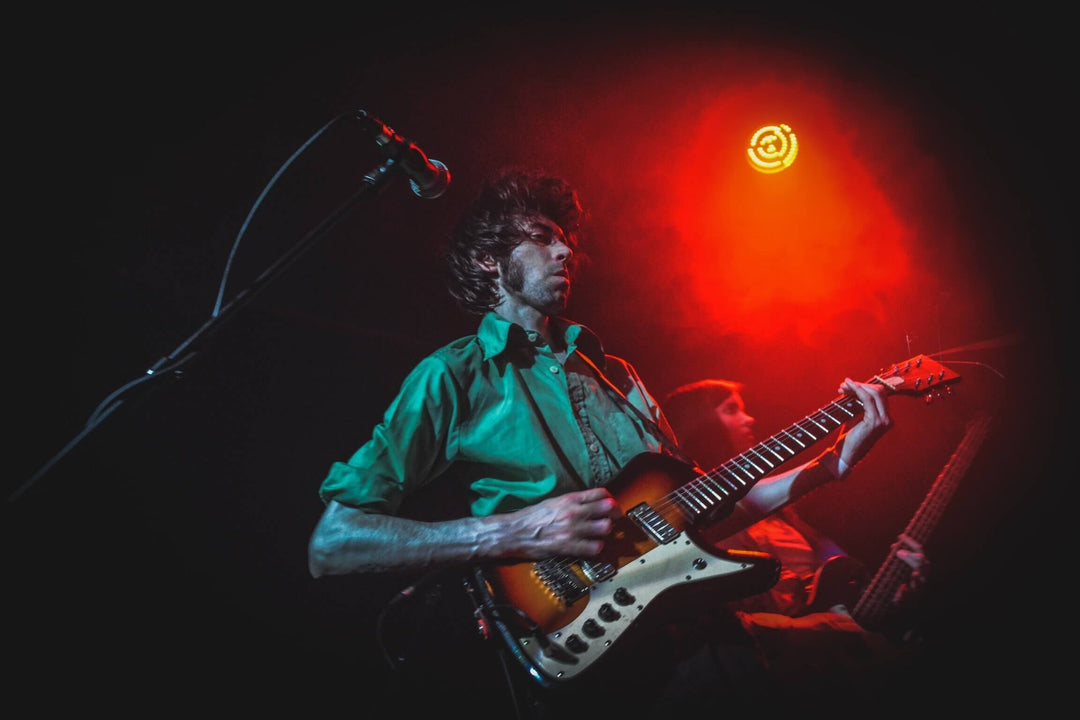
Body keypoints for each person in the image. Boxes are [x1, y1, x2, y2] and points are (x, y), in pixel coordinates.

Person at [306, 170, 894, 717]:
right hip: (579, 663)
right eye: (542, 238)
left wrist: (832, 464)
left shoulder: (618, 376)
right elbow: (334, 542)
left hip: (700, 645)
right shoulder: (453, 376)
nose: (565, 252)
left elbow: (695, 518)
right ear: (489, 260)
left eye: (565, 241)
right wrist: (511, 531)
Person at [662, 378, 930, 700]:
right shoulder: (695, 532)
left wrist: (888, 597)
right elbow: (720, 629)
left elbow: (839, 600)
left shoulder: (783, 518)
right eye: (731, 410)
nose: (749, 419)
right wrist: (820, 629)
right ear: (699, 425)